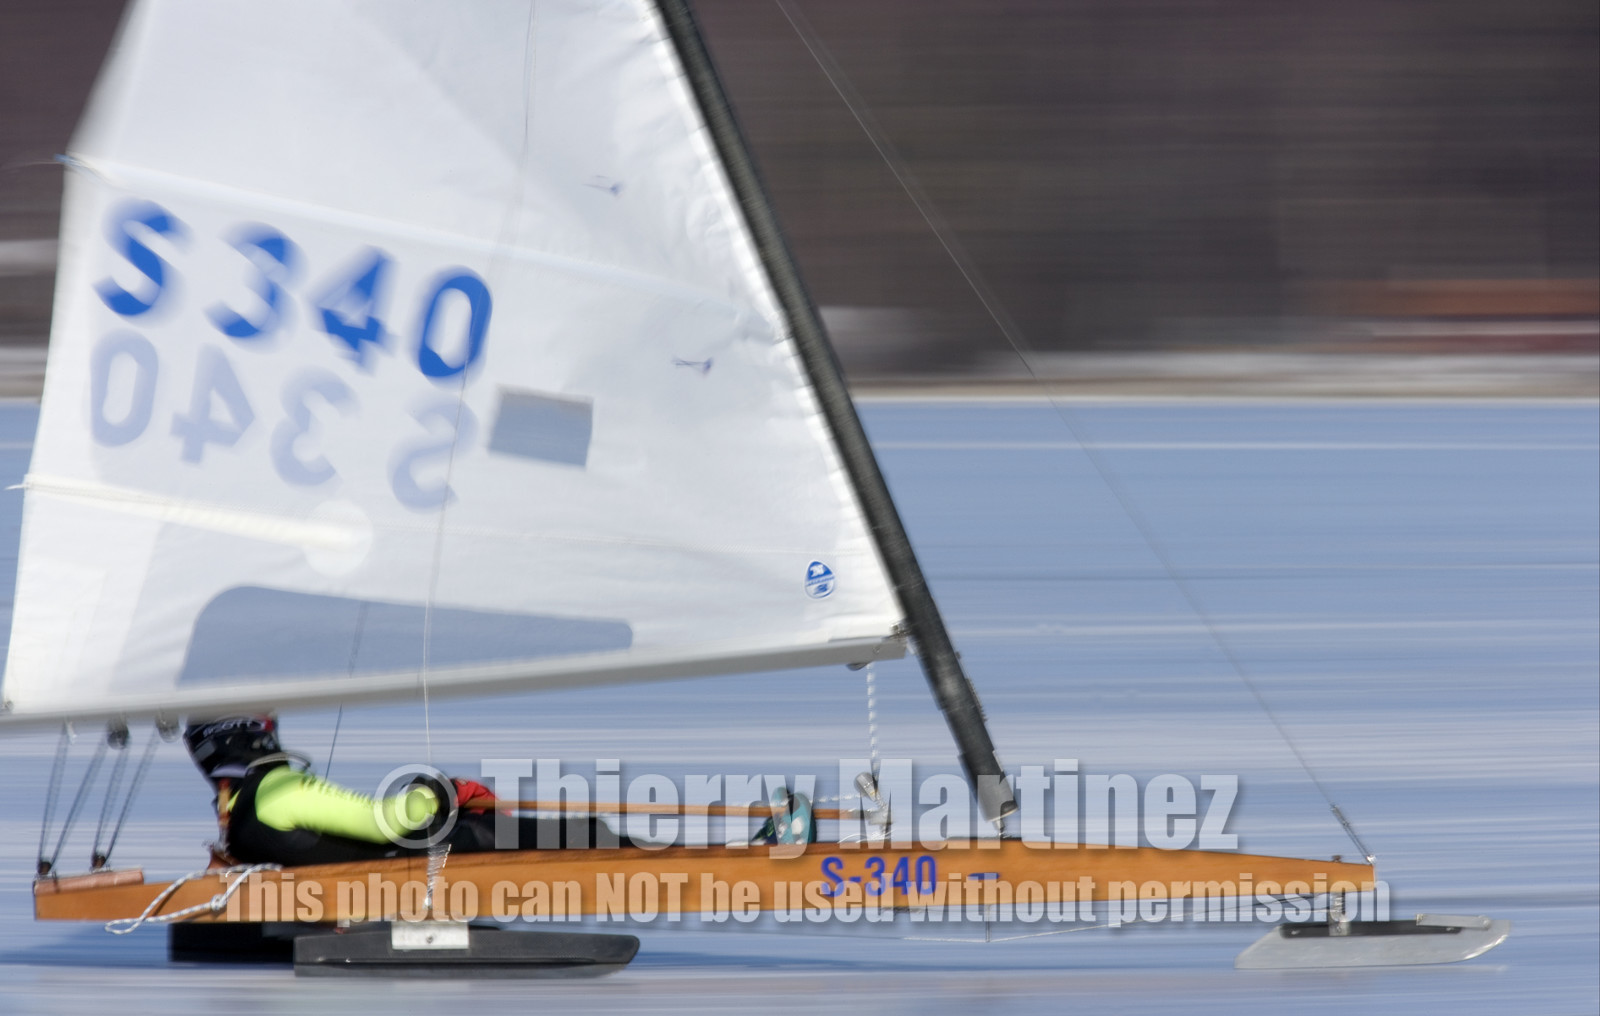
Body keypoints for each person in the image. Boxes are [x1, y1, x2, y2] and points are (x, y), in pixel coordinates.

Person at [184, 715, 629, 867]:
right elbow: (386, 823)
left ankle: (614, 838)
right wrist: (441, 789)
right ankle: (628, 847)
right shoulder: (279, 790)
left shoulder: (238, 804)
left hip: (397, 859)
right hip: (423, 855)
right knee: (577, 834)